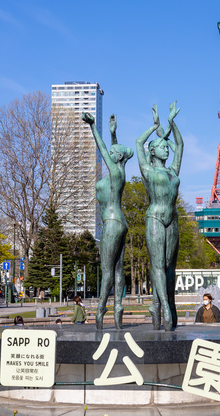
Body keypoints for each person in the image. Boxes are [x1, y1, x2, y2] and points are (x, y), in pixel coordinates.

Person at [83, 112, 134, 330]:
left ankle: (100, 309)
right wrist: (114, 134)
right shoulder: (119, 172)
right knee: (118, 269)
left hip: (111, 223)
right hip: (120, 222)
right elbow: (114, 150)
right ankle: (119, 307)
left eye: (115, 153)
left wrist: (93, 127)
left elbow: (104, 149)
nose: (110, 153)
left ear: (118, 157)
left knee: (107, 271)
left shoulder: (114, 171)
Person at [136, 103, 183, 332]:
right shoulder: (148, 170)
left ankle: (159, 305)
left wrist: (171, 125)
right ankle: (164, 305)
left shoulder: (173, 171)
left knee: (169, 266)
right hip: (155, 217)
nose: (167, 149)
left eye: (167, 146)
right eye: (162, 146)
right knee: (157, 265)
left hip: (173, 219)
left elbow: (180, 145)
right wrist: (154, 127)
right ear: (152, 151)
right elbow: (138, 143)